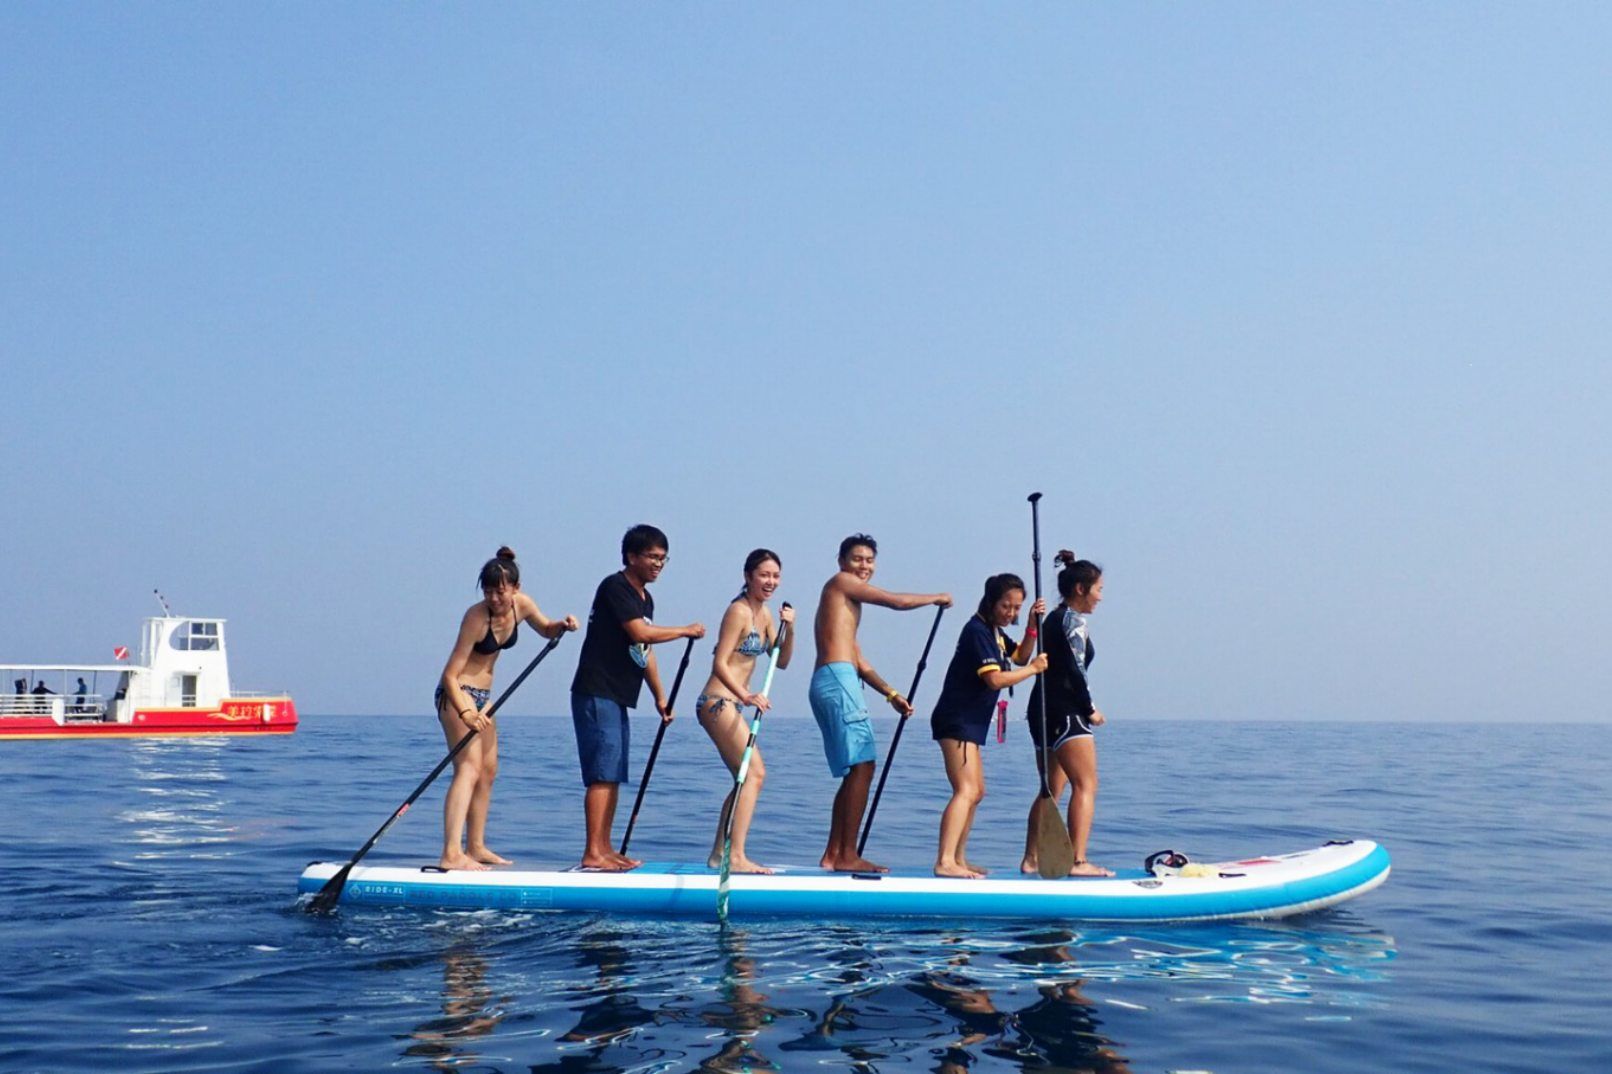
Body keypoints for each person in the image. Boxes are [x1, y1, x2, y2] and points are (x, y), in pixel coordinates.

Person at [810, 533, 951, 872]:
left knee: (856, 769)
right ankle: (846, 855)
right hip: (837, 680)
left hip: (835, 679)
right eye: (857, 558)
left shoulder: (843, 605)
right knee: (864, 765)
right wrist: (937, 597)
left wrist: (891, 694)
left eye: (869, 560)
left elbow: (859, 660)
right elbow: (895, 602)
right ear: (842, 561)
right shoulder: (841, 583)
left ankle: (834, 854)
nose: (864, 566)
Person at [570, 524, 705, 871]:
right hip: (596, 690)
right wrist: (685, 630)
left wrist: (660, 697)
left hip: (619, 695)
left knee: (613, 773)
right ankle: (592, 853)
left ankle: (605, 848)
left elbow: (643, 649)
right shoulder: (615, 586)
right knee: (602, 773)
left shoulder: (645, 598)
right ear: (632, 557)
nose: (659, 564)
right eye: (652, 557)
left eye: (663, 558)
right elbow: (640, 632)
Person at [436, 547, 578, 872]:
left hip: (485, 698)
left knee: (488, 772)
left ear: (515, 588)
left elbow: (545, 628)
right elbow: (450, 675)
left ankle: (476, 845)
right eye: (488, 591)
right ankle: (450, 852)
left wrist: (562, 625)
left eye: (500, 591)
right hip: (457, 695)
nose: (494, 598)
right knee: (468, 769)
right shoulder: (475, 617)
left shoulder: (522, 605)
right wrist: (466, 713)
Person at [928, 574, 1048, 878]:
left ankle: (958, 858)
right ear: (991, 601)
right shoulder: (977, 631)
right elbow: (994, 679)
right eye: (1006, 606)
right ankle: (944, 862)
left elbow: (1020, 656)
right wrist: (1035, 670)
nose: (1011, 613)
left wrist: (1033, 625)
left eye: (1017, 607)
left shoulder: (993, 631)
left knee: (977, 791)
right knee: (965, 790)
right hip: (957, 719)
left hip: (970, 722)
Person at [694, 548, 795, 874]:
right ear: (748, 576)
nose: (771, 581)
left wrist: (788, 628)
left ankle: (717, 854)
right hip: (717, 701)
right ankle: (734, 856)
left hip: (733, 703)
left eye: (776, 576)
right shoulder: (737, 611)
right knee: (755, 774)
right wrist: (747, 696)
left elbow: (781, 661)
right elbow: (719, 663)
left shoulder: (764, 615)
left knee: (744, 778)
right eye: (764, 575)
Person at [1021, 550, 1111, 877]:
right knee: (1086, 785)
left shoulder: (1053, 619)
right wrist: (1090, 709)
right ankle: (1078, 861)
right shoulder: (1073, 620)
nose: (1101, 597)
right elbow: (1075, 669)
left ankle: (1031, 859)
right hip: (1067, 710)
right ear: (1080, 589)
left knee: (1051, 790)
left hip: (1040, 710)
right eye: (1098, 589)